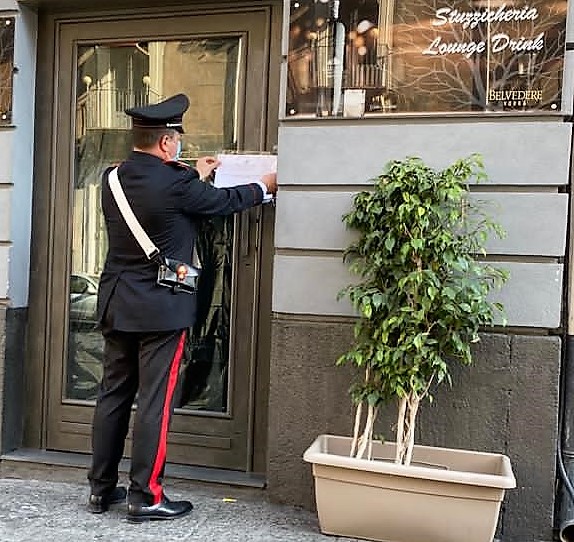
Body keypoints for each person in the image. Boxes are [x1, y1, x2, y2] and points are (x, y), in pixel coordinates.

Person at [86, 93, 277, 523]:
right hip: (162, 307)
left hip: (118, 301)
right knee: (155, 401)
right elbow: (220, 204)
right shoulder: (178, 182)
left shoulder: (113, 177)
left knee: (113, 395)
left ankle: (101, 491)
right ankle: (146, 497)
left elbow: (162, 201)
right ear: (169, 142)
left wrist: (194, 173)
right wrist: (264, 185)